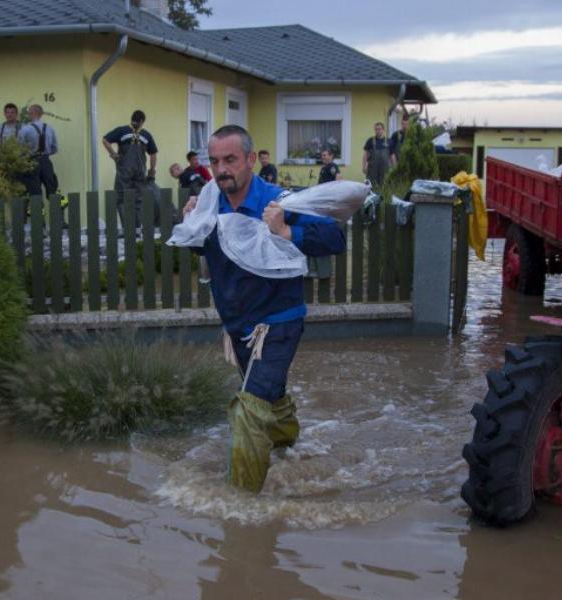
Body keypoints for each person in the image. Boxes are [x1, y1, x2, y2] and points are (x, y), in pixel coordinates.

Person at [181, 125, 345, 493]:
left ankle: (241, 507)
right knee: (267, 395)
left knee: (249, 412)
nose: (222, 169)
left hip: (278, 323)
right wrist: (192, 223)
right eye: (215, 161)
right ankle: (289, 447)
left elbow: (335, 237)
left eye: (230, 160)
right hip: (237, 326)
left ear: (251, 160)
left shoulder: (280, 200)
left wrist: (287, 233)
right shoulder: (209, 202)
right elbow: (204, 250)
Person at [103, 109, 159, 223]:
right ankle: (138, 228)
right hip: (140, 172)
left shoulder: (122, 131)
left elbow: (105, 140)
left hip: (124, 171)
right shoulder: (146, 135)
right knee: (138, 199)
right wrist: (152, 170)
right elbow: (153, 154)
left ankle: (127, 228)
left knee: (121, 199)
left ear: (132, 119)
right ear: (142, 121)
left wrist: (113, 154)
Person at [16, 104, 59, 196]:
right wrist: (44, 154)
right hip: (46, 162)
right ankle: (59, 208)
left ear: (31, 113)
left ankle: (38, 209)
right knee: (52, 190)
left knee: (34, 192)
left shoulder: (25, 129)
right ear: (41, 114)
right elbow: (55, 148)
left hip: (31, 162)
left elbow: (19, 149)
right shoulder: (50, 128)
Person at [363, 122, 391, 188]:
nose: (377, 131)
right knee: (371, 187)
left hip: (385, 170)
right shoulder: (370, 141)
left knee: (385, 186)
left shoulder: (389, 141)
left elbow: (392, 156)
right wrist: (364, 166)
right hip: (372, 170)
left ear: (383, 130)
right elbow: (365, 155)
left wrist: (394, 167)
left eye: (379, 129)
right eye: (376, 129)